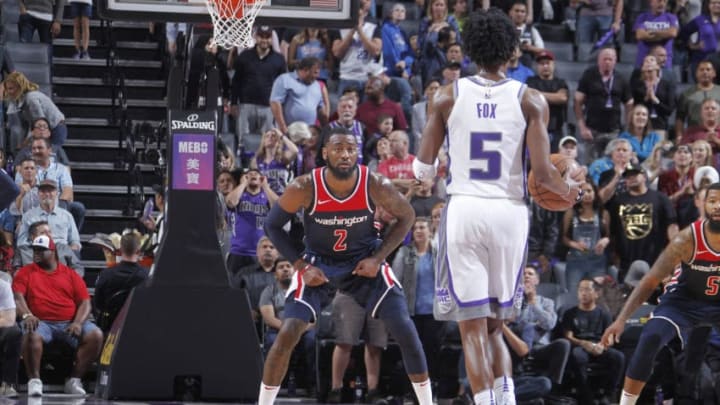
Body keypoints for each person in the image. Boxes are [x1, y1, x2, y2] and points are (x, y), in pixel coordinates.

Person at [413, 8, 585, 405]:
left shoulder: (446, 95)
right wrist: (571, 191)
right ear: (512, 51)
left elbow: (422, 170)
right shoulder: (532, 99)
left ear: (469, 49)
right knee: (495, 325)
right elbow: (543, 176)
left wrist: (432, 168)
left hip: (464, 211)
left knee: (472, 328)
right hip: (509, 213)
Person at [257, 127, 433, 405]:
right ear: (325, 152)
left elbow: (407, 216)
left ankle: (427, 403)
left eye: (351, 149)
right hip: (318, 265)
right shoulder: (304, 186)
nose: (345, 154)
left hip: (363, 263)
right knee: (289, 330)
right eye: (338, 148)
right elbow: (272, 225)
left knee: (403, 326)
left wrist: (378, 258)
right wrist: (301, 265)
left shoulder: (373, 183)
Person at [601, 182, 720, 405]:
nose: (718, 206)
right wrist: (621, 320)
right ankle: (626, 403)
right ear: (704, 205)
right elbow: (650, 280)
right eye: (713, 201)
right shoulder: (687, 239)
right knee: (652, 337)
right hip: (683, 302)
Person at [13, 235, 103, 396]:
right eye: (34, 249)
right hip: (41, 323)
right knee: (31, 331)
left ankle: (74, 380)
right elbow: (18, 297)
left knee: (95, 334)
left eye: (41, 250)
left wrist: (77, 323)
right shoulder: (25, 272)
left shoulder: (70, 274)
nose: (36, 253)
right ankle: (34, 381)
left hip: (68, 322)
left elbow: (85, 302)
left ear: (53, 251)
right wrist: (27, 315)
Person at [93, 232, 149, 333]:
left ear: (120, 250)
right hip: (138, 324)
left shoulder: (106, 274)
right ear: (138, 251)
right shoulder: (147, 275)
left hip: (111, 325)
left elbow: (98, 303)